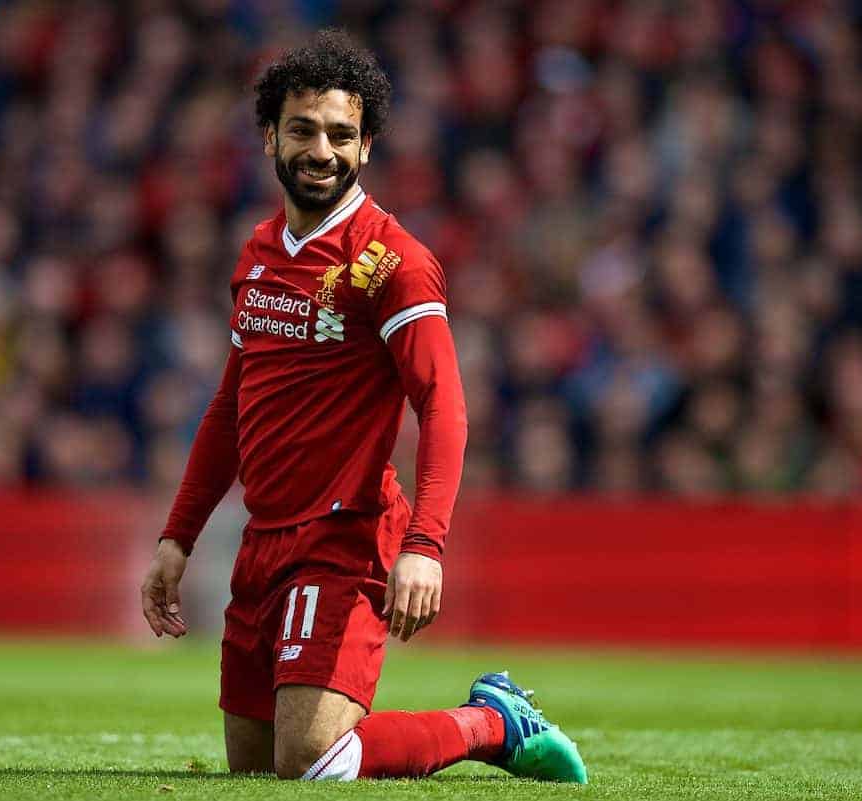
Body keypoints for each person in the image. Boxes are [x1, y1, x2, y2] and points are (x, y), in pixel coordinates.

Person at [139, 29, 586, 783]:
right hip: (264, 540)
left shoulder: (393, 261)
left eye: (343, 134)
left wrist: (426, 543)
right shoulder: (257, 251)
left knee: (314, 762)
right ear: (270, 135)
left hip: (344, 537)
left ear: (367, 145)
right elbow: (228, 406)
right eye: (305, 129)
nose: (323, 150)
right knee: (255, 769)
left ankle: (489, 721)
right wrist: (178, 535)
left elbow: (444, 405)